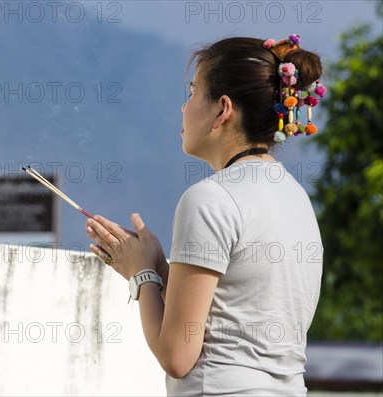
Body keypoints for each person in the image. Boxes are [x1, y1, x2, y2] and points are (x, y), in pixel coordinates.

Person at [86, 35, 324, 396]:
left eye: (194, 92)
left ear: (222, 109)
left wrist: (141, 274)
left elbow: (177, 355)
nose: (184, 108)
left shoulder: (210, 199)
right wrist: (160, 266)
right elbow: (235, 306)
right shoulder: (295, 197)